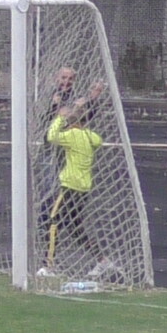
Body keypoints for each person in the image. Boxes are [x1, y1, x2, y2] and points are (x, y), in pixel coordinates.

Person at [42, 97, 105, 273]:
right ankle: (102, 260)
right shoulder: (90, 136)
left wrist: (59, 118)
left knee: (53, 221)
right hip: (84, 189)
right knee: (75, 226)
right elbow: (98, 140)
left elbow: (51, 136)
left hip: (69, 187)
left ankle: (48, 266)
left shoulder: (72, 135)